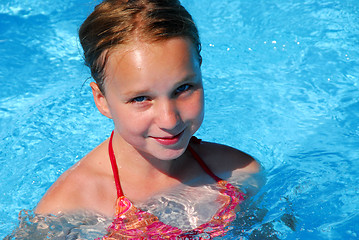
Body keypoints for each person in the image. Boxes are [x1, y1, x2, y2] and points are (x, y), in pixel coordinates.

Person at [35, 0, 261, 238]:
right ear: (102, 100)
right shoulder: (68, 209)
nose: (169, 120)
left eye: (183, 88)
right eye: (141, 98)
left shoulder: (238, 173)